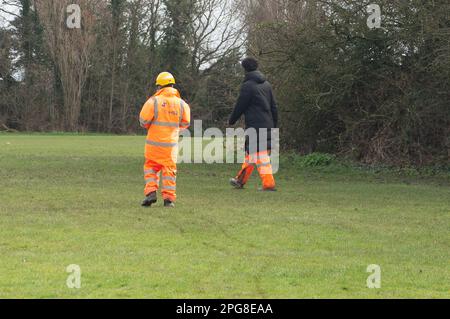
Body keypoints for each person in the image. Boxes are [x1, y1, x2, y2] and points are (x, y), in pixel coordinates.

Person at [139, 72, 191, 208]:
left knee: (150, 168)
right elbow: (186, 123)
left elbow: (143, 121)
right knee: (169, 171)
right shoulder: (182, 104)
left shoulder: (153, 101)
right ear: (172, 85)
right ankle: (168, 200)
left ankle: (151, 192)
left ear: (159, 86)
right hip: (171, 146)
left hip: (153, 145)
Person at [229, 57, 278, 191]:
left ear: (244, 69)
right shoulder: (266, 84)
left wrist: (232, 120)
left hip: (256, 126)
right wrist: (275, 124)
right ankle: (240, 180)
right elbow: (274, 106)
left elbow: (240, 105)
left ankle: (269, 184)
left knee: (261, 156)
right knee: (251, 155)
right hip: (268, 123)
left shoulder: (248, 86)